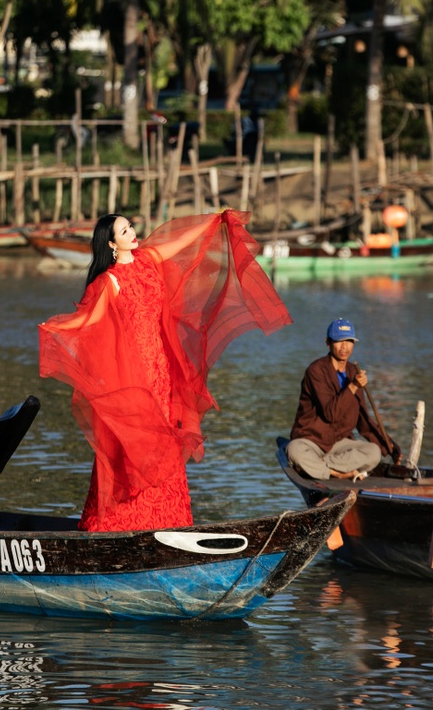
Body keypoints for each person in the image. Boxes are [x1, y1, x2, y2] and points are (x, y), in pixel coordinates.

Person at [39, 210, 292, 532]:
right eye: (124, 230)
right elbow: (87, 320)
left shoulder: (148, 259)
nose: (132, 232)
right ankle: (117, 527)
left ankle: (171, 523)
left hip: (162, 370)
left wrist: (214, 220)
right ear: (111, 244)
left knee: (167, 444)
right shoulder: (109, 281)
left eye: (130, 226)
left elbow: (182, 240)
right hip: (133, 376)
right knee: (134, 446)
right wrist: (54, 328)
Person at [287, 318, 400, 482]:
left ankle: (321, 467)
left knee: (373, 452)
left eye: (349, 341)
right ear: (328, 343)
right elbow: (330, 413)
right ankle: (337, 473)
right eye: (339, 341)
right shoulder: (316, 371)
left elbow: (363, 420)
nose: (344, 347)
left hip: (337, 444)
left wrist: (389, 446)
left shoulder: (354, 371)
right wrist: (353, 386)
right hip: (311, 440)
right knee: (294, 451)